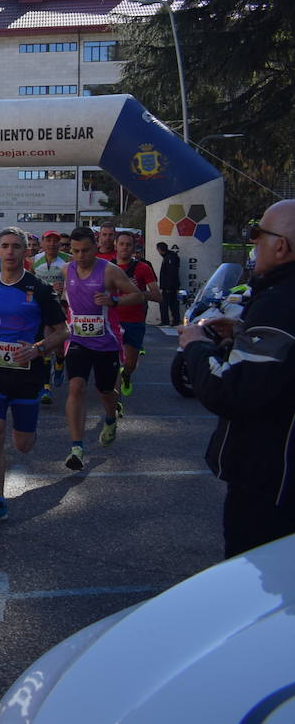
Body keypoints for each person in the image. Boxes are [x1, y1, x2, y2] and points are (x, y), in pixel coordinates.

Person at [181, 201, 295, 557]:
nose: (252, 242)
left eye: (257, 234)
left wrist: (196, 346)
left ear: (282, 246)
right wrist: (241, 333)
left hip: (269, 480)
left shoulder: (280, 301)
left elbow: (233, 390)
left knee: (255, 584)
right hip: (278, 476)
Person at [0, 228, 67, 525]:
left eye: (16, 247)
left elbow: (63, 331)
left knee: (23, 444)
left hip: (28, 373)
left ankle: (27, 430)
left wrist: (38, 349)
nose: (9, 252)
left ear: (26, 252)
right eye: (4, 246)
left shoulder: (38, 289)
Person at [61, 225, 143, 470]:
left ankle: (110, 418)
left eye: (85, 250)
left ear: (96, 247)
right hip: (77, 339)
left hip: (106, 341)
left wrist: (114, 300)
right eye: (75, 251)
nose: (80, 256)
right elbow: (66, 300)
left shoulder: (110, 271)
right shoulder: (67, 269)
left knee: (106, 391)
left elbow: (137, 295)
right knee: (76, 387)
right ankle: (76, 447)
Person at [112, 231, 159, 398]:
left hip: (134, 321)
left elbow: (157, 296)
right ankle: (115, 402)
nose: (124, 248)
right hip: (111, 321)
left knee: (130, 363)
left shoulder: (142, 268)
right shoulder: (106, 267)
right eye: (121, 244)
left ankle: (127, 376)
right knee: (114, 363)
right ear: (115, 246)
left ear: (134, 248)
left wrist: (137, 292)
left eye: (128, 245)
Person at [31, 229, 72, 399]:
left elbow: (75, 282)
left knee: (59, 350)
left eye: (55, 241)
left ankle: (60, 362)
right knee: (45, 345)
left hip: (60, 305)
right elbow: (30, 281)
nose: (52, 244)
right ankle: (45, 387)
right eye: (48, 240)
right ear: (42, 243)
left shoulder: (68, 260)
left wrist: (64, 288)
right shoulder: (34, 261)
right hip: (41, 307)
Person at [157, 241, 182, 326]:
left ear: (160, 249)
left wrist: (168, 286)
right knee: (172, 303)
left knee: (165, 303)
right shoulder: (170, 257)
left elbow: (171, 273)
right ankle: (175, 320)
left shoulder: (169, 258)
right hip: (171, 286)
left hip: (169, 286)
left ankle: (166, 321)